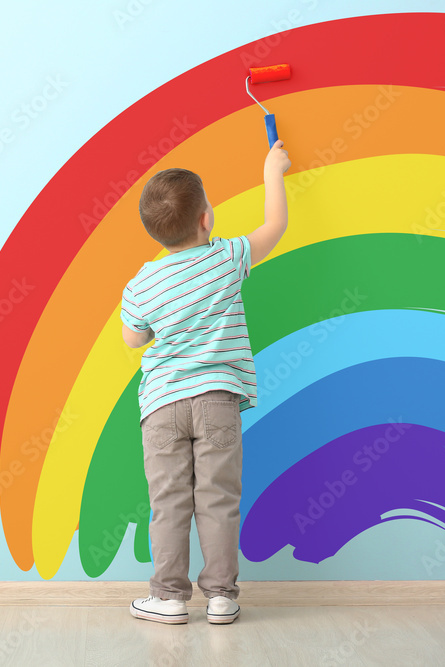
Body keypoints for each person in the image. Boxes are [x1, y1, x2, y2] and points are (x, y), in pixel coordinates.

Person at [120, 140, 291, 625]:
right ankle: (220, 597)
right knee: (217, 499)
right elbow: (274, 226)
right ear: (205, 218)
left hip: (162, 407)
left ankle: (169, 598)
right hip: (217, 401)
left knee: (169, 502)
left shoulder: (142, 283)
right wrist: (271, 169)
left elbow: (133, 339)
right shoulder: (227, 259)